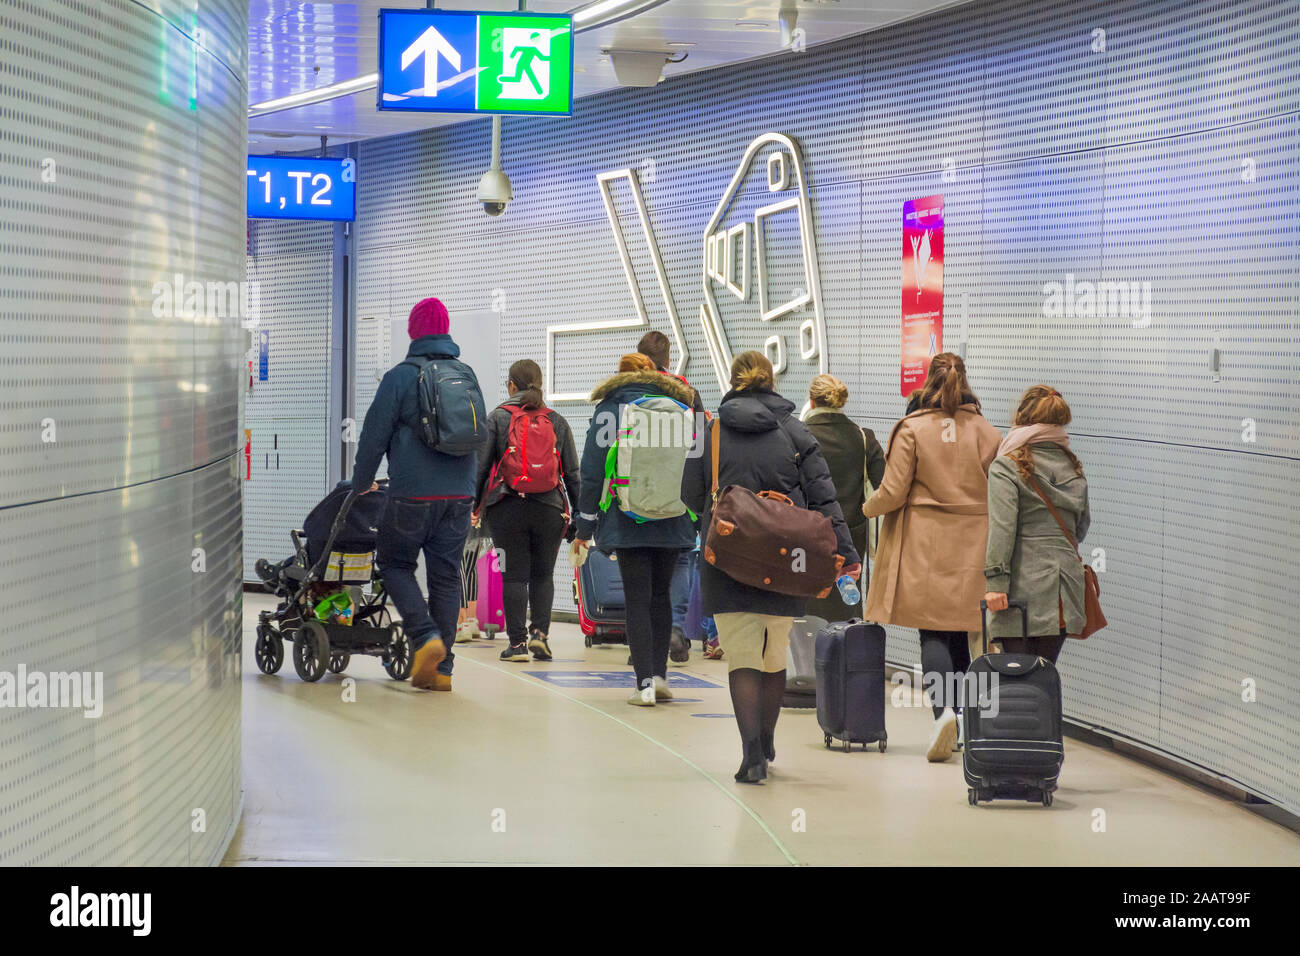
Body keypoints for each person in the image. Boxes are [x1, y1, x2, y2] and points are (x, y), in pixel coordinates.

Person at [684, 351, 860, 784]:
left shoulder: (712, 430)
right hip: (786, 559)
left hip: (728, 556)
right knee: (773, 651)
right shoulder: (795, 430)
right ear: (771, 381)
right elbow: (824, 499)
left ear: (733, 380)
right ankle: (766, 738)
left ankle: (751, 756)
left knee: (741, 655)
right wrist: (848, 556)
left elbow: (689, 493)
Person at [863, 352, 1000, 761]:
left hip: (924, 541)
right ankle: (965, 719)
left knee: (933, 631)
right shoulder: (987, 432)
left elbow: (893, 491)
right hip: (975, 540)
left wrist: (865, 508)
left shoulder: (912, 428)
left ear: (928, 380)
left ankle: (944, 713)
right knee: (963, 630)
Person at [351, 297, 478, 691]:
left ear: (413, 332)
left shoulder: (400, 377)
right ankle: (442, 672)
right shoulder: (465, 373)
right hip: (459, 496)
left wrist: (360, 483)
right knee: (445, 578)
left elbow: (373, 437)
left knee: (394, 565)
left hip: (412, 496)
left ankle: (426, 639)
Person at [571, 353, 700, 706]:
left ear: (621, 375)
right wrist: (698, 518)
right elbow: (700, 464)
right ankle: (659, 676)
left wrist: (585, 525)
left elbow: (593, 470)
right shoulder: (684, 405)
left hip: (628, 518)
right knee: (661, 597)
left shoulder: (610, 409)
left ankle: (642, 682)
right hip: (675, 518)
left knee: (637, 599)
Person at [474, 359, 581, 663]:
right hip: (549, 510)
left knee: (513, 576)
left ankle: (517, 645)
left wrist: (473, 506)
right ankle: (541, 637)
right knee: (543, 574)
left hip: (507, 509)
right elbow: (573, 473)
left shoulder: (497, 418)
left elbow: (480, 468)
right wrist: (580, 515)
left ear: (511, 385)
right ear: (540, 384)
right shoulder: (557, 421)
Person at [984, 385, 1091, 662]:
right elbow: (1081, 527)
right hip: (1063, 591)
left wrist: (996, 582)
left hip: (1021, 588)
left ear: (1021, 419)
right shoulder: (1073, 465)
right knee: (1043, 674)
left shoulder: (1007, 465)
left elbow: (1002, 528)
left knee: (1017, 677)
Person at [638, 329, 706, 662]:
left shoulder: (628, 390)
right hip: (679, 492)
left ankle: (642, 634)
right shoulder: (687, 392)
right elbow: (701, 446)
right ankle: (675, 628)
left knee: (640, 559)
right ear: (668, 359)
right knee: (679, 557)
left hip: (637, 493)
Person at [800, 373, 885, 623]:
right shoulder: (863, 437)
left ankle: (810, 659)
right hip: (851, 538)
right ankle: (846, 657)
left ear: (812, 401)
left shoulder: (798, 435)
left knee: (808, 608)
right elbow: (884, 485)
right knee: (847, 608)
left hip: (806, 537)